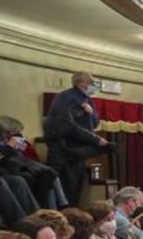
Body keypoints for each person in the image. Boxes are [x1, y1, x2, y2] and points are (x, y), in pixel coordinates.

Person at [44, 72, 109, 205]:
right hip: (65, 151)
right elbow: (67, 126)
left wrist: (89, 113)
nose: (94, 86)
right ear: (80, 83)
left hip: (79, 152)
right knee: (65, 189)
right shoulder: (65, 97)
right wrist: (96, 141)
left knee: (75, 188)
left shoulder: (88, 99)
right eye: (91, 83)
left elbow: (95, 123)